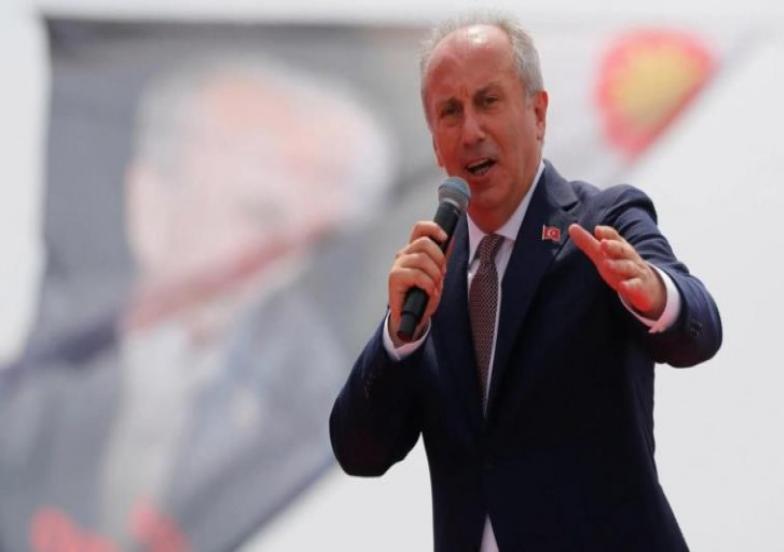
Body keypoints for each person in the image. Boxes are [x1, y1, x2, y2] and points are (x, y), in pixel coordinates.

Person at [329, 13, 722, 552]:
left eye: (488, 101)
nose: (471, 131)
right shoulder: (430, 273)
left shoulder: (601, 221)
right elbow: (360, 452)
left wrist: (655, 293)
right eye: (450, 112)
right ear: (435, 142)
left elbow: (700, 328)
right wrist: (398, 340)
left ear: (537, 113)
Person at [0, 56, 393, 552]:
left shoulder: (330, 418)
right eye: (260, 216)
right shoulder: (28, 333)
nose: (286, 265)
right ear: (151, 204)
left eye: (321, 243)